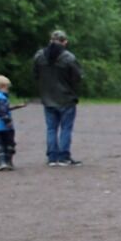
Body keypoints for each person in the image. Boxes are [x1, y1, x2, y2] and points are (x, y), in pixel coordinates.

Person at [33, 29, 82, 166]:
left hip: (47, 98)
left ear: (50, 40)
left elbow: (36, 75)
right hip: (66, 98)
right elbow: (77, 77)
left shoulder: (39, 56)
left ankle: (52, 157)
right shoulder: (68, 57)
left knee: (51, 128)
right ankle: (64, 156)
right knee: (66, 128)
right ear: (64, 41)